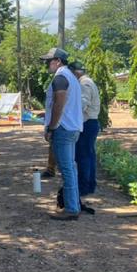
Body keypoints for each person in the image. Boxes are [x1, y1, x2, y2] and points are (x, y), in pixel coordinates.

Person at [40, 48, 83, 221]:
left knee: (66, 169)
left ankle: (71, 208)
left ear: (58, 61)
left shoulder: (60, 78)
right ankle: (74, 205)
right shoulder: (71, 77)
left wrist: (51, 127)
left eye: (48, 61)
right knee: (70, 168)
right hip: (72, 128)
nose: (46, 64)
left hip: (63, 128)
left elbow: (59, 104)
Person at [70, 61, 101, 213]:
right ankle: (88, 184)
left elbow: (83, 104)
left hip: (87, 123)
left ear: (76, 72)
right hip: (90, 123)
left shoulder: (84, 83)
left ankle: (83, 186)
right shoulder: (87, 81)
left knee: (83, 156)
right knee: (88, 155)